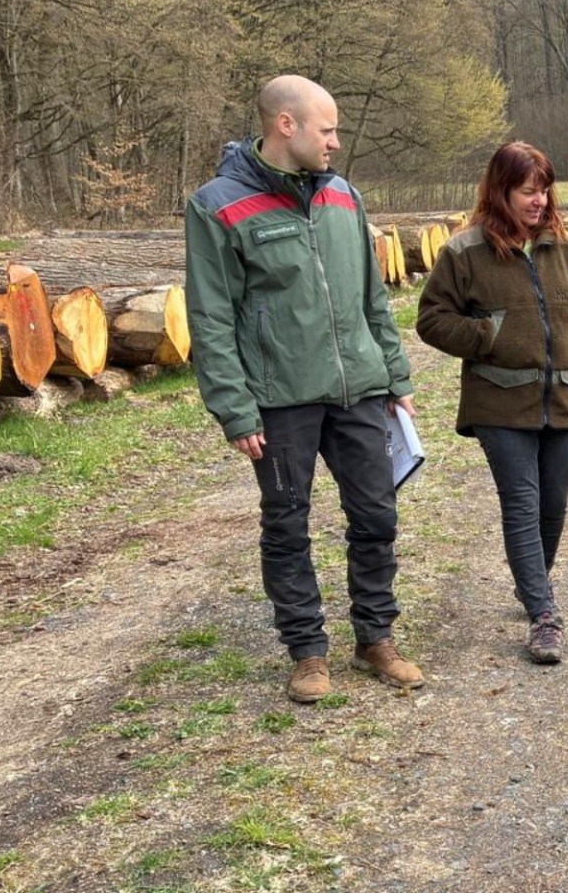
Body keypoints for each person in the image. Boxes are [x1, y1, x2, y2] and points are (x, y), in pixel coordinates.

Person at [184, 74, 425, 704]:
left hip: (359, 392)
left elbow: (373, 294)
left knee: (376, 516)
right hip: (279, 398)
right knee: (287, 524)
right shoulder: (216, 205)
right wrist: (235, 410)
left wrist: (395, 374)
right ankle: (307, 651)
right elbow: (210, 318)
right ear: (285, 125)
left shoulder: (344, 196)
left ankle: (376, 638)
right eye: (328, 129)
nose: (336, 143)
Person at [416, 141, 568, 665]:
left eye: (544, 188)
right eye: (528, 190)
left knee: (553, 506)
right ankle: (543, 614)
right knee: (522, 504)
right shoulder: (465, 251)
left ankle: (534, 584)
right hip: (500, 405)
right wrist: (489, 334)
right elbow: (431, 319)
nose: (539, 199)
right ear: (500, 191)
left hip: (565, 402)